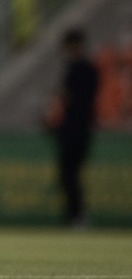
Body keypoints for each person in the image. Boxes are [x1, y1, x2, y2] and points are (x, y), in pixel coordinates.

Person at [45, 28, 99, 227]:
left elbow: (70, 98)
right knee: (70, 174)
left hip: (75, 129)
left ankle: (76, 216)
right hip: (80, 128)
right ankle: (75, 215)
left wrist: (59, 96)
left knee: (69, 173)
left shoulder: (78, 68)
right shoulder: (87, 68)